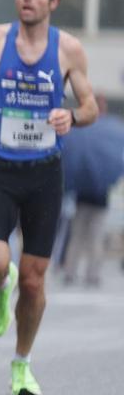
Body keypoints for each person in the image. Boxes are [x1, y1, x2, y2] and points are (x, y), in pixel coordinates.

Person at [0, 0, 96, 395]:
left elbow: (91, 105)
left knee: (35, 279)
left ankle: (21, 364)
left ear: (53, 1)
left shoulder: (68, 50)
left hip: (45, 174)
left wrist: (72, 116)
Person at [60, 95, 122, 287]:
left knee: (79, 237)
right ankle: (90, 273)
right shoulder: (108, 134)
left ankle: (73, 271)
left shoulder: (83, 133)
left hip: (84, 197)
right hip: (98, 198)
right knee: (93, 238)